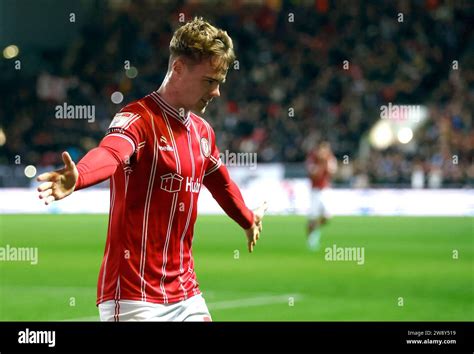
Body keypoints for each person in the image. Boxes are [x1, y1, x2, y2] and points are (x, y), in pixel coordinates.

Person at [36, 17, 267, 321]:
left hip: (186, 293)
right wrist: (80, 176)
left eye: (219, 84)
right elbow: (111, 153)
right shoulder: (137, 118)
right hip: (134, 297)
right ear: (179, 69)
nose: (216, 93)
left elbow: (221, 185)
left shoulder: (203, 133)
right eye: (210, 82)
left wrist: (248, 219)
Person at [305, 142, 337, 251]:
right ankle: (311, 238)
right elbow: (314, 176)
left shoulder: (330, 159)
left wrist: (327, 165)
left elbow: (333, 173)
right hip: (315, 191)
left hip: (325, 190)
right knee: (313, 217)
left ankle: (315, 230)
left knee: (327, 216)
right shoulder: (312, 160)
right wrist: (321, 165)